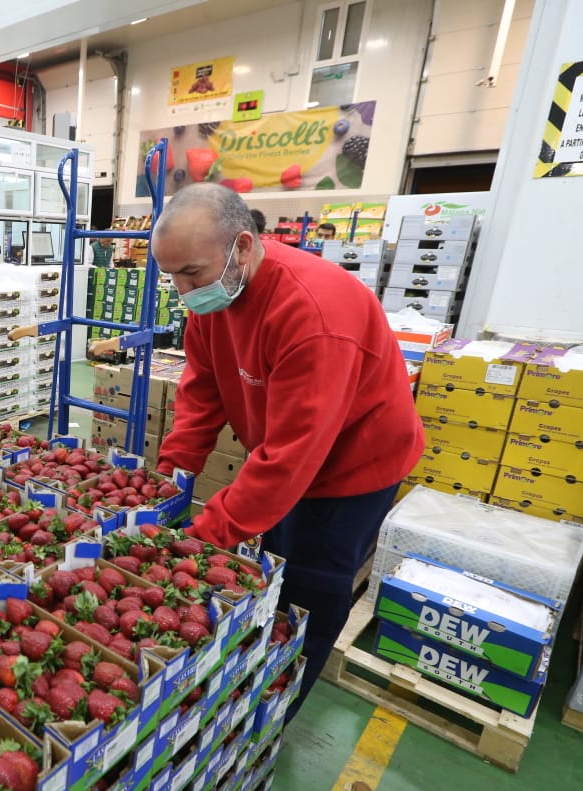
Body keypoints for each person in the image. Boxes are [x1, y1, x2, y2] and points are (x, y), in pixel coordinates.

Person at [152, 184, 422, 719]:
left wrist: (201, 535)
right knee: (273, 558)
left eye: (192, 274)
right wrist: (170, 482)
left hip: (354, 464)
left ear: (244, 247)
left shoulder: (314, 315)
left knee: (312, 585)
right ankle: (252, 668)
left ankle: (279, 709)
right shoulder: (215, 298)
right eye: (172, 278)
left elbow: (294, 457)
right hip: (288, 449)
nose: (184, 292)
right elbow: (201, 394)